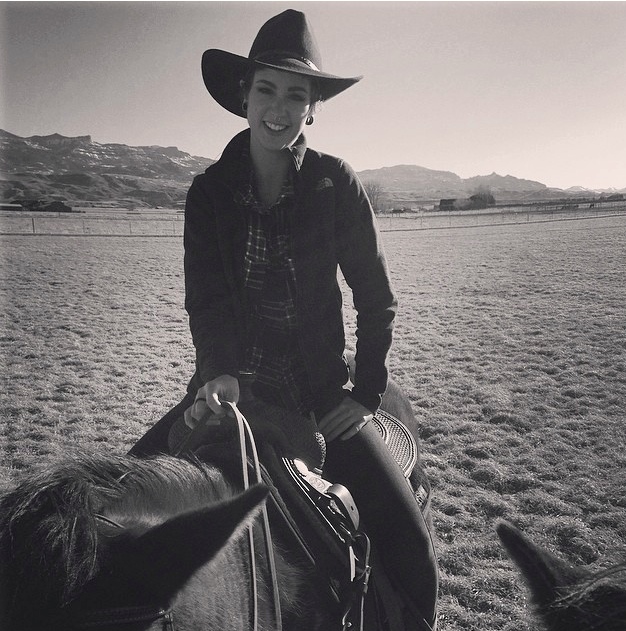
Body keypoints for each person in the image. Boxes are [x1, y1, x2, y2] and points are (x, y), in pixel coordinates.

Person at [130, 9, 437, 629]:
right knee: (116, 499)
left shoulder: (334, 182)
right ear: (243, 96)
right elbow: (206, 298)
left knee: (412, 551)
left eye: (297, 95)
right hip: (232, 385)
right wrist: (216, 371)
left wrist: (365, 393)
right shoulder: (209, 192)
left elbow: (375, 296)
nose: (279, 108)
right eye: (266, 89)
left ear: (312, 108)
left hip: (318, 390)